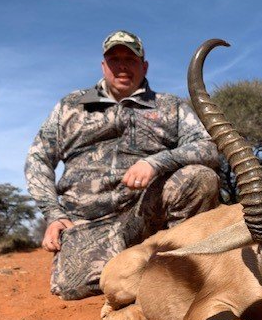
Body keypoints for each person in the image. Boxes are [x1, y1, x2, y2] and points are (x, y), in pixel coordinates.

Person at [25, 30, 220, 300]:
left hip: (149, 217)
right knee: (73, 289)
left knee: (199, 178)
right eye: (114, 59)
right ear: (103, 65)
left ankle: (179, 270)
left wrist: (156, 162)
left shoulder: (170, 106)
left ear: (144, 66)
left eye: (130, 58)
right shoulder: (70, 105)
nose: (122, 66)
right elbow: (38, 159)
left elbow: (208, 147)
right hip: (90, 224)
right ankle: (146, 269)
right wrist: (53, 214)